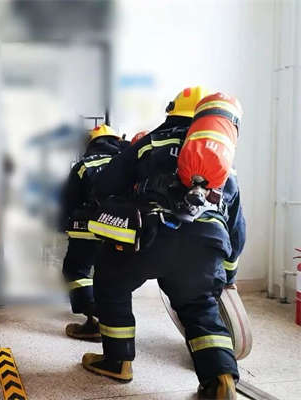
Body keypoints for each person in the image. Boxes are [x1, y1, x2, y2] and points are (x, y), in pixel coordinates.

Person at [82, 87, 246, 399]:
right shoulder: (223, 163)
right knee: (200, 307)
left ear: (171, 111)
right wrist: (228, 273)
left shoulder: (151, 142)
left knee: (111, 283)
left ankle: (117, 362)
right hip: (206, 244)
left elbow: (104, 184)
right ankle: (220, 378)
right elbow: (236, 226)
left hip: (149, 236)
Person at [60, 125, 129, 341]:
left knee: (76, 271)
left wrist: (62, 224)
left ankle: (94, 318)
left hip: (87, 229)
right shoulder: (126, 162)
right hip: (121, 231)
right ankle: (111, 321)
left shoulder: (83, 165)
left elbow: (69, 200)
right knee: (109, 275)